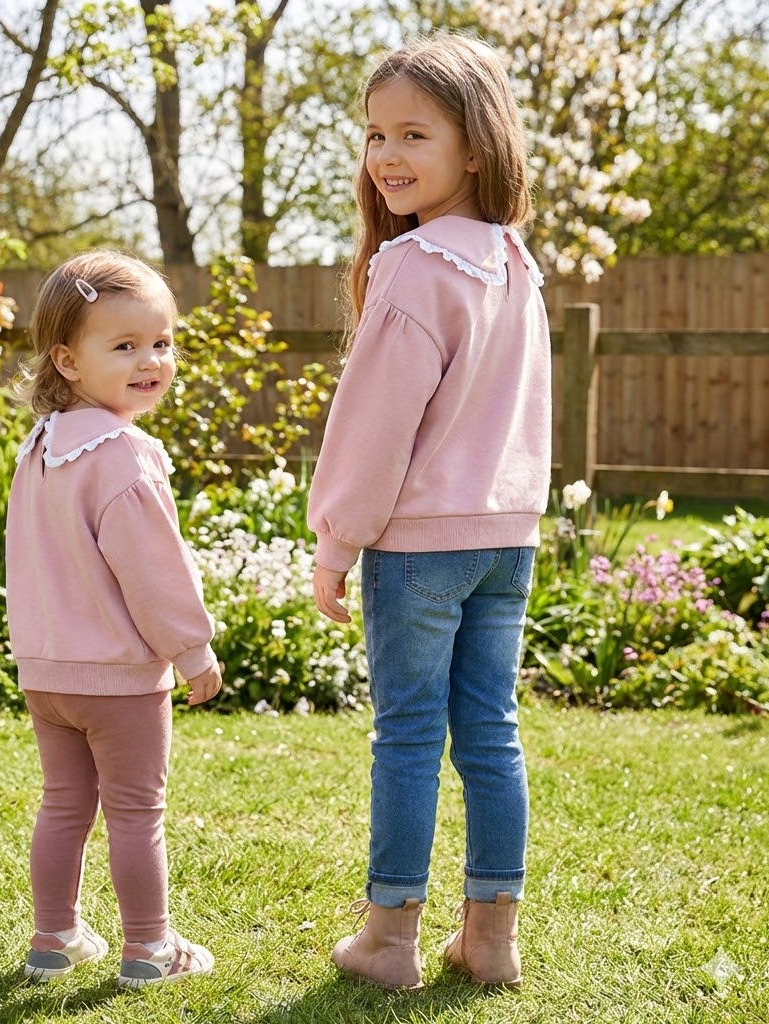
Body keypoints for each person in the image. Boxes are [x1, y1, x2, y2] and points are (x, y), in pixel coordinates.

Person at [307, 33, 552, 990]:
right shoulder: (515, 263)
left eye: (414, 133)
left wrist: (337, 538)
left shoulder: (415, 267)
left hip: (418, 548)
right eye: (375, 135)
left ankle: (389, 939)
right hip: (506, 538)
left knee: (408, 736)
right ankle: (490, 940)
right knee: (490, 732)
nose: (388, 157)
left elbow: (372, 431)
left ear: (477, 147)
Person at [5, 249, 222, 988]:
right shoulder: (124, 457)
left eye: (161, 342)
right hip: (120, 681)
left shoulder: (40, 450)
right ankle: (149, 949)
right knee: (137, 812)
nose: (149, 361)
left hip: (47, 672)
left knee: (64, 804)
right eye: (124, 346)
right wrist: (192, 651)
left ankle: (54, 937)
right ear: (66, 360)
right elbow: (155, 573)